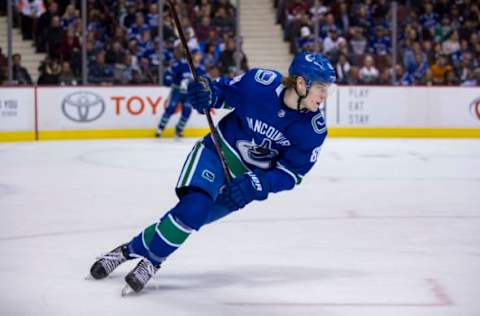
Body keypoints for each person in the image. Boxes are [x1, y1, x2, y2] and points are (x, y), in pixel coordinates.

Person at [89, 52, 336, 294]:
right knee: (194, 208)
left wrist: (258, 184)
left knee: (187, 220)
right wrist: (207, 93)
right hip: (216, 154)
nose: (325, 96)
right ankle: (152, 263)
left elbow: (291, 173)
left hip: (243, 183)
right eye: (321, 88)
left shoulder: (313, 130)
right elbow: (223, 93)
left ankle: (123, 252)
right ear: (302, 83)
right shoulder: (260, 83)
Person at [155, 47, 206, 138]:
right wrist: (170, 82)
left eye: (200, 55)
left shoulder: (200, 69)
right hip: (177, 90)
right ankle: (160, 129)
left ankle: (179, 130)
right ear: (192, 55)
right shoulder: (181, 64)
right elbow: (168, 74)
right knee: (171, 107)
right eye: (198, 54)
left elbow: (203, 81)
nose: (200, 56)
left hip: (188, 93)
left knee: (187, 110)